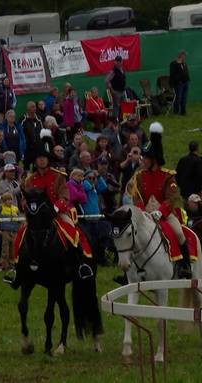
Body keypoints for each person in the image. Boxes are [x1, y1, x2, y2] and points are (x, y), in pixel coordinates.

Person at [5, 130, 94, 285]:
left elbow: (65, 196)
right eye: (39, 158)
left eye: (44, 158)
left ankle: (80, 264)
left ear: (48, 160)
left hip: (57, 214)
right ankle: (16, 267)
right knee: (20, 234)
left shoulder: (58, 176)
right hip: (36, 217)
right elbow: (24, 200)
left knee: (72, 231)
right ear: (36, 160)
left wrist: (55, 209)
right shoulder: (30, 179)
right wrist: (28, 208)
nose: (41, 161)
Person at [131, 123, 191, 278]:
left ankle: (185, 266)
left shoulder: (167, 175)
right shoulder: (139, 175)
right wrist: (141, 212)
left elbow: (172, 198)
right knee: (129, 234)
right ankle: (128, 271)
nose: (142, 160)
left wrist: (160, 211)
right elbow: (136, 195)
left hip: (164, 213)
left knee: (179, 233)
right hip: (144, 214)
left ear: (154, 159)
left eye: (145, 158)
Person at [80, 169, 109, 265]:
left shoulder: (94, 187)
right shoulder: (84, 186)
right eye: (90, 178)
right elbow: (86, 187)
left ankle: (97, 258)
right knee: (89, 239)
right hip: (87, 217)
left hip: (96, 217)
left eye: (94, 178)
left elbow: (104, 187)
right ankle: (89, 258)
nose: (92, 180)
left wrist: (99, 177)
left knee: (96, 239)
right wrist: (87, 180)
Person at [0, 192, 19, 271]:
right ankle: (4, 265)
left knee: (13, 249)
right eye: (7, 200)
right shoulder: (1, 208)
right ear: (4, 201)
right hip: (5, 231)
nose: (9, 201)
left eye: (11, 199)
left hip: (14, 231)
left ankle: (12, 264)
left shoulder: (15, 208)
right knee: (5, 249)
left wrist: (17, 216)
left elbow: (20, 219)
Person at [21, 101, 43, 170]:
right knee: (26, 168)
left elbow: (42, 131)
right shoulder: (23, 120)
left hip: (38, 148)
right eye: (32, 107)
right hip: (28, 149)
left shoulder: (39, 119)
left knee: (37, 167)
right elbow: (21, 134)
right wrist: (27, 144)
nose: (35, 108)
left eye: (35, 106)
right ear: (28, 109)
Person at [106, 56, 127, 120]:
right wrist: (112, 90)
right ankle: (115, 121)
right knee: (116, 107)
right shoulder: (113, 71)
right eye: (117, 61)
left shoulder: (122, 70)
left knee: (125, 106)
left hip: (122, 91)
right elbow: (107, 80)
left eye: (120, 61)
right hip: (116, 92)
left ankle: (124, 120)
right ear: (115, 62)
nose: (118, 63)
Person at [170, 50, 190, 116]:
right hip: (179, 84)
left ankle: (183, 111)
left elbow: (186, 72)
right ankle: (176, 112)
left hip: (185, 83)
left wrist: (187, 79)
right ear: (180, 55)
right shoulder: (173, 63)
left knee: (184, 98)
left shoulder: (184, 63)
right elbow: (172, 75)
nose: (185, 57)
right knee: (178, 98)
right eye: (184, 55)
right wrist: (177, 81)